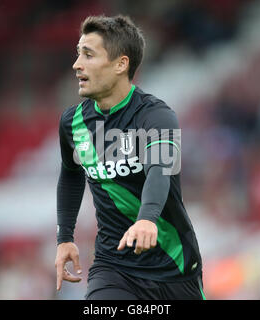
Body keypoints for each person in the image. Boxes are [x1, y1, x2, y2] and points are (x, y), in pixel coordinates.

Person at [55, 14, 205, 300]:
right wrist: (65, 238)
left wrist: (147, 218)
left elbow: (160, 170)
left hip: (174, 265)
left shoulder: (156, 116)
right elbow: (70, 174)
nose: (76, 65)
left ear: (121, 64)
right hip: (114, 267)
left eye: (88, 55)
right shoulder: (71, 122)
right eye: (78, 54)